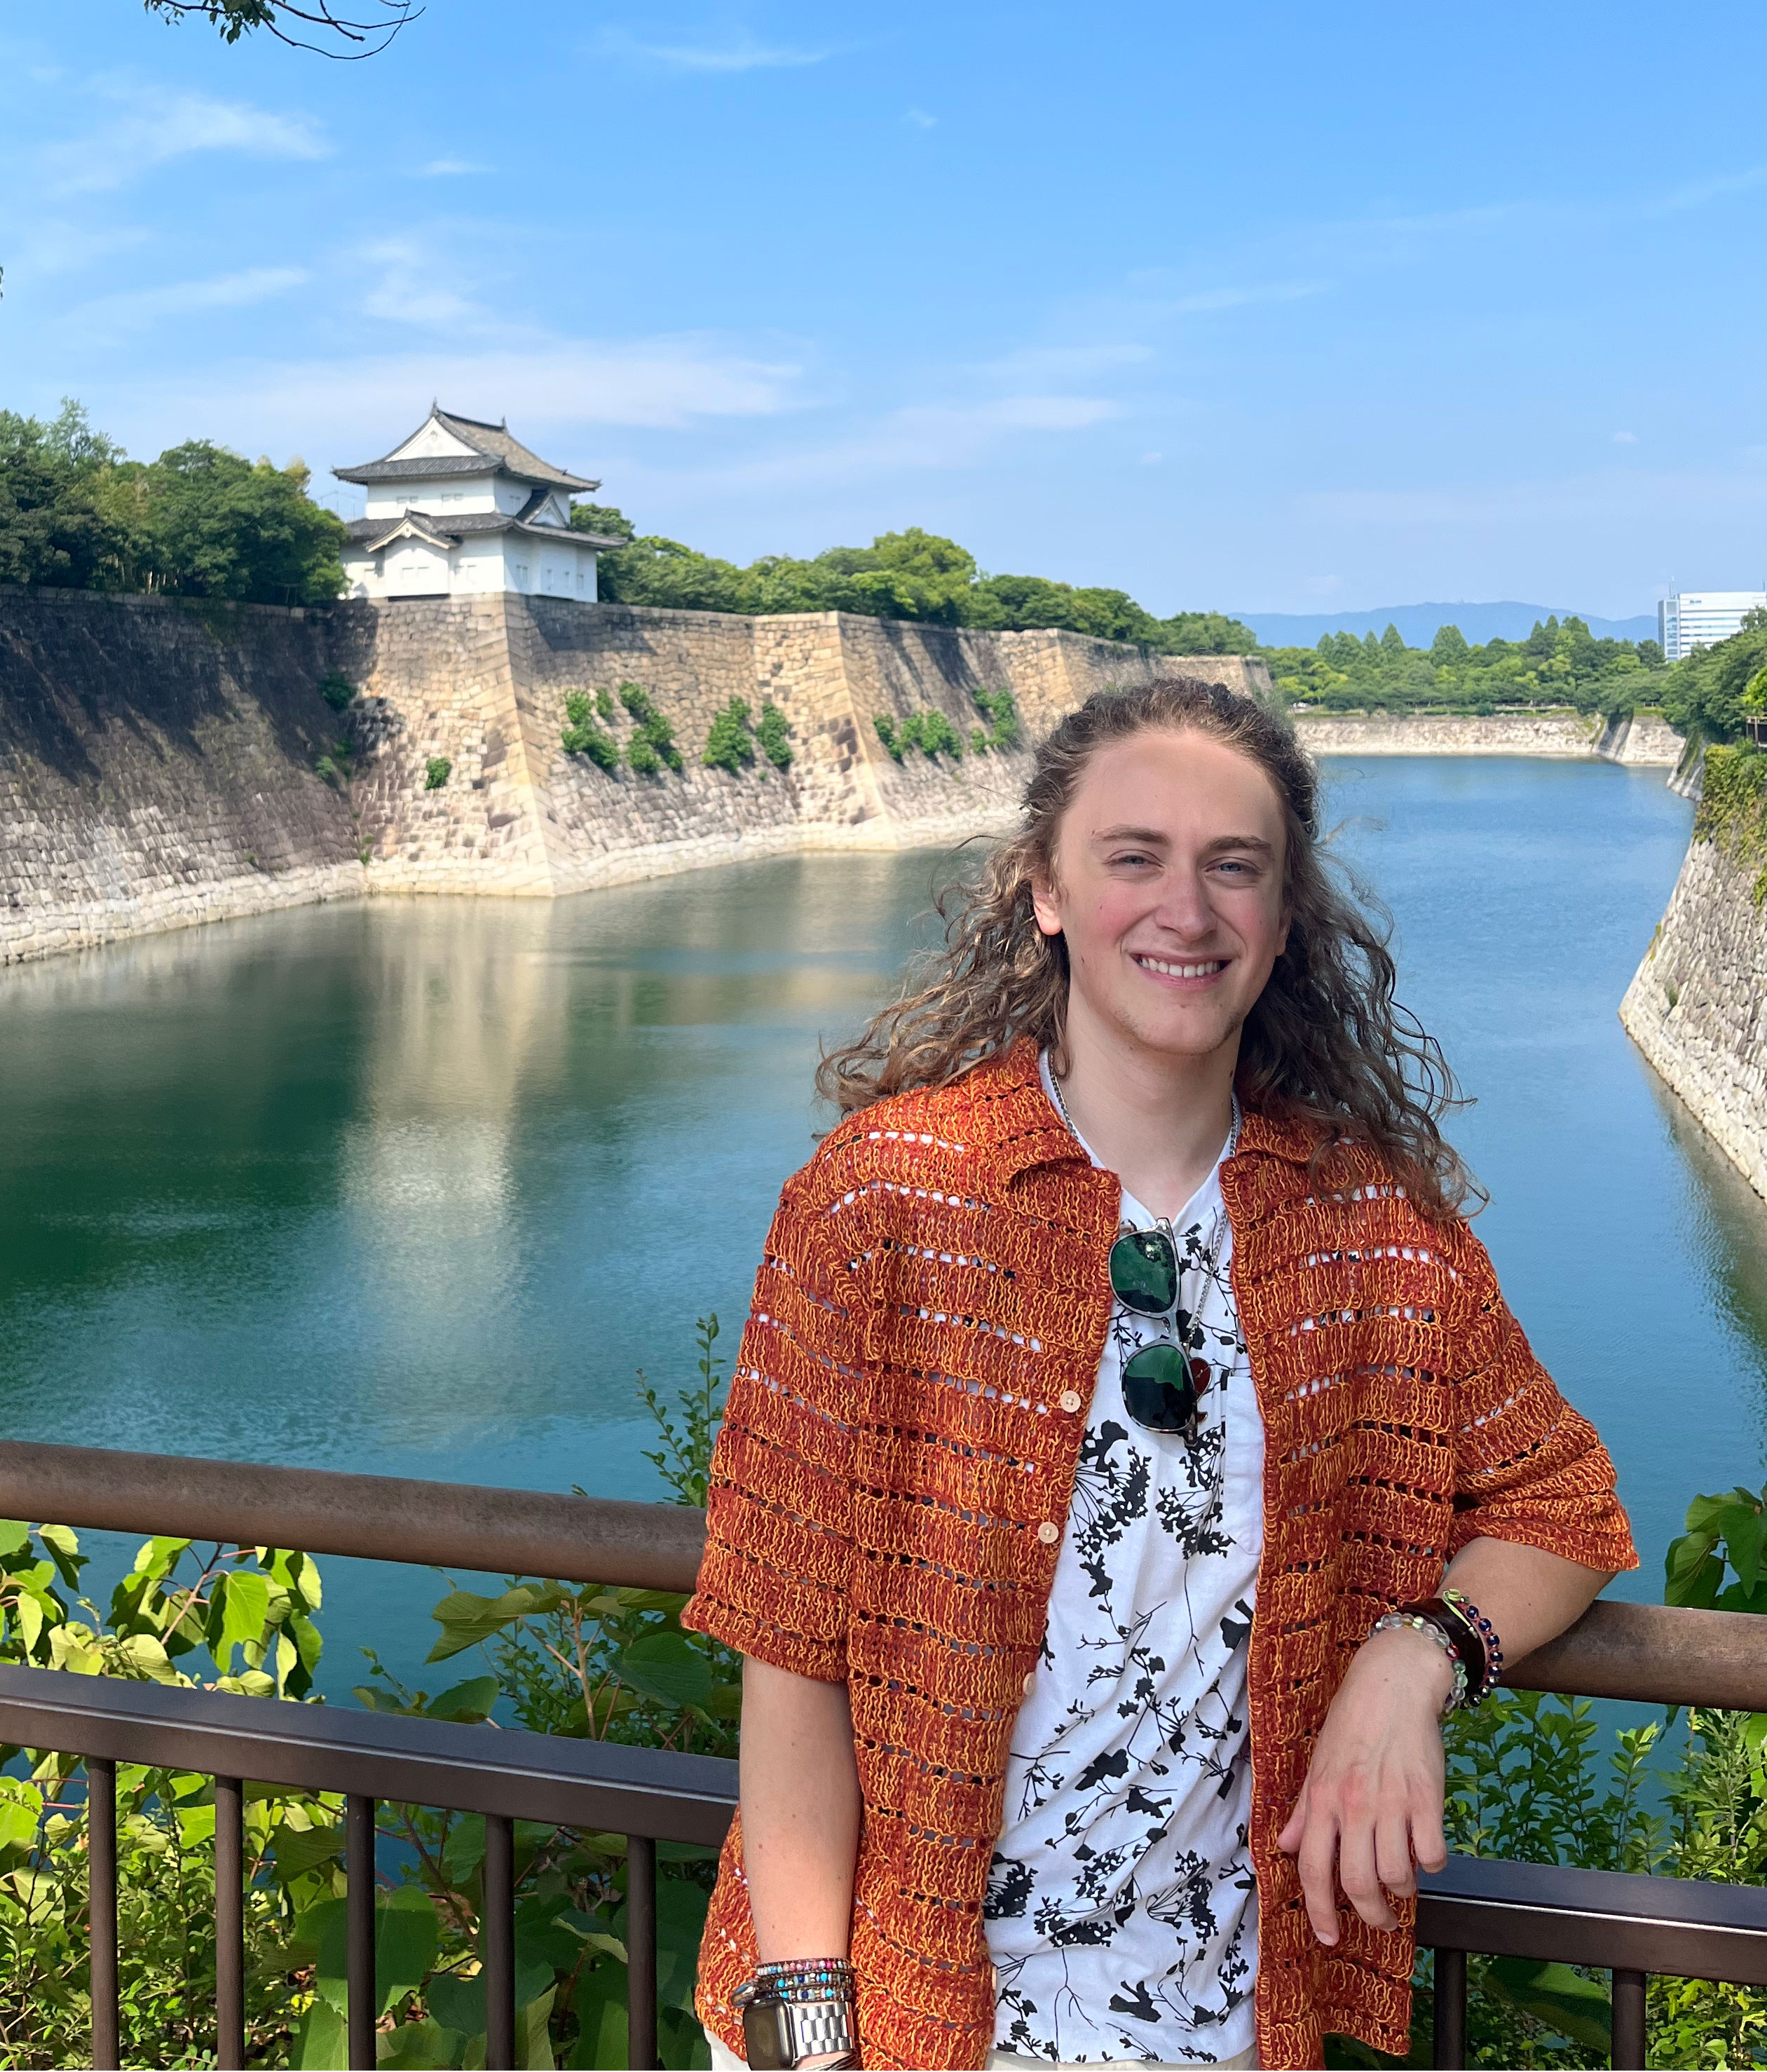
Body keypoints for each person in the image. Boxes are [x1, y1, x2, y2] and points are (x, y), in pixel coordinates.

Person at [680, 678, 1635, 2072]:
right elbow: (791, 1649)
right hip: (897, 2020)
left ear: (1285, 915)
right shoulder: (886, 1199)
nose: (1185, 912)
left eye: (1232, 867)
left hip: (1222, 2029)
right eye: (1134, 857)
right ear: (1046, 893)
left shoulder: (1374, 1229)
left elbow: (1565, 1508)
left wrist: (1413, 1653)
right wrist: (814, 2029)